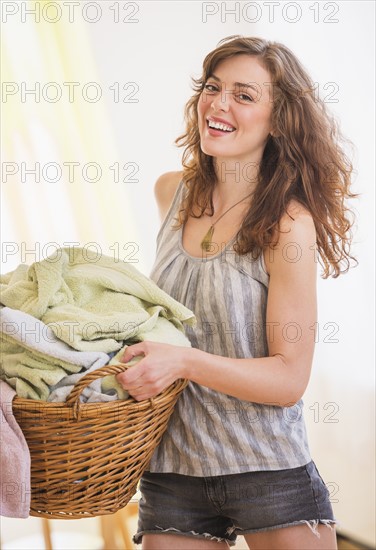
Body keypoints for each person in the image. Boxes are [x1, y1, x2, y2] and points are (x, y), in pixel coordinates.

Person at [116, 35, 357, 549]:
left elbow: (289, 378)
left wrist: (183, 362)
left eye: (244, 95)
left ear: (279, 119)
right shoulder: (171, 192)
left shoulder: (287, 224)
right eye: (212, 87)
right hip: (174, 467)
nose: (218, 104)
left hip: (267, 468)